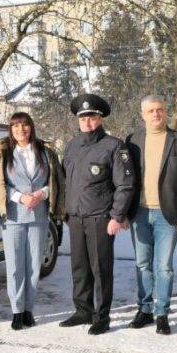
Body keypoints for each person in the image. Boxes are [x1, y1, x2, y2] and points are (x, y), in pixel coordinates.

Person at [59, 94, 136, 335]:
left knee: (100, 269)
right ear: (78, 120)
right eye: (83, 118)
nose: (87, 122)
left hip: (100, 218)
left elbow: (125, 185)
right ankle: (83, 310)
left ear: (100, 118)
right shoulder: (71, 146)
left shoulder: (114, 146)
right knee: (79, 267)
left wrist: (117, 216)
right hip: (76, 218)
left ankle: (101, 316)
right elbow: (64, 182)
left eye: (92, 117)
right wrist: (64, 212)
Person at [0, 112, 65, 330]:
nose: (21, 130)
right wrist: (20, 197)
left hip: (38, 215)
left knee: (34, 265)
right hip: (13, 217)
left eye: (25, 125)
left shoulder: (45, 152)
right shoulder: (3, 153)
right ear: (11, 129)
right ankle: (17, 311)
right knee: (16, 266)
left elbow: (54, 181)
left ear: (31, 127)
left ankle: (29, 309)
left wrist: (41, 194)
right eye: (16, 126)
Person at [124, 95, 177, 335]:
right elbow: (126, 180)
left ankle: (161, 313)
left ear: (166, 112)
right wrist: (123, 212)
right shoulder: (132, 141)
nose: (156, 114)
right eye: (151, 110)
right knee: (142, 263)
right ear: (143, 114)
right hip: (140, 213)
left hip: (168, 215)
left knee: (164, 266)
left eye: (160, 110)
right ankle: (144, 309)